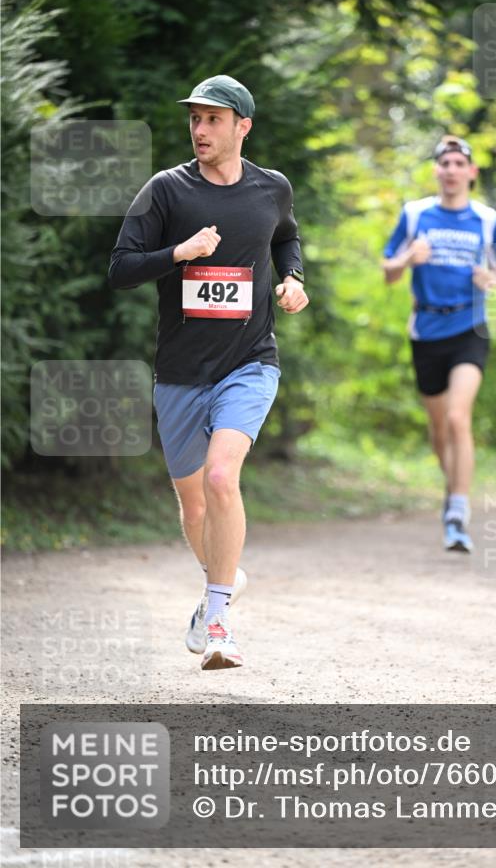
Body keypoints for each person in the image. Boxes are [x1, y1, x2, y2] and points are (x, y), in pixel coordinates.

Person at [109, 74, 308, 670]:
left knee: (223, 479)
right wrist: (180, 253)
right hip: (178, 372)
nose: (200, 130)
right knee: (194, 508)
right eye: (195, 119)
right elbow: (120, 268)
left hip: (249, 363)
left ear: (242, 126)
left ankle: (219, 620)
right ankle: (219, 584)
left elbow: (287, 238)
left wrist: (294, 280)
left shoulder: (271, 189)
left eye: (213, 119)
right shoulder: (165, 191)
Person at [382, 135, 496, 553]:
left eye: (459, 164)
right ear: (437, 171)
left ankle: (458, 509)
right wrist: (406, 260)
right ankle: (453, 487)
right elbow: (387, 270)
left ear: (471, 173)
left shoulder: (487, 219)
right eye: (445, 164)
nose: (452, 170)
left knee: (458, 418)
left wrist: (492, 279)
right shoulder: (415, 214)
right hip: (426, 331)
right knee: (439, 431)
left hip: (470, 328)